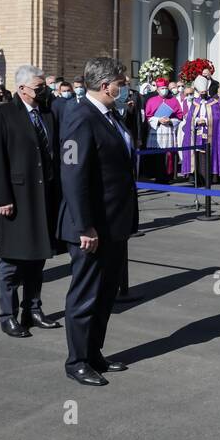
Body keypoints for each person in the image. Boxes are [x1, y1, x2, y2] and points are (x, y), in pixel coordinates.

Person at [58, 58, 138, 387]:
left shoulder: (110, 115)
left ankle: (94, 353)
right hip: (91, 226)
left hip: (114, 222)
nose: (126, 87)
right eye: (122, 81)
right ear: (107, 86)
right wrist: (83, 226)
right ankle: (76, 360)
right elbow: (73, 175)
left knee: (106, 294)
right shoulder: (80, 115)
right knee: (86, 295)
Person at [0, 65, 62, 338]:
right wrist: (2, 197)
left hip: (42, 197)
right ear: (22, 89)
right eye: (38, 87)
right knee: (12, 262)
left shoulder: (47, 114)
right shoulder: (3, 114)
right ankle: (8, 314)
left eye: (44, 86)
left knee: (37, 259)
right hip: (16, 198)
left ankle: (33, 309)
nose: (44, 91)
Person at [142, 77, 183, 184]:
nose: (164, 90)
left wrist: (170, 120)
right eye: (162, 88)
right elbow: (148, 116)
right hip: (156, 130)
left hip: (168, 130)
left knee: (168, 155)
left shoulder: (173, 100)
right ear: (158, 89)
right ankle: (157, 175)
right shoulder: (151, 100)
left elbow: (179, 116)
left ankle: (167, 176)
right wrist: (158, 120)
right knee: (157, 155)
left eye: (165, 88)